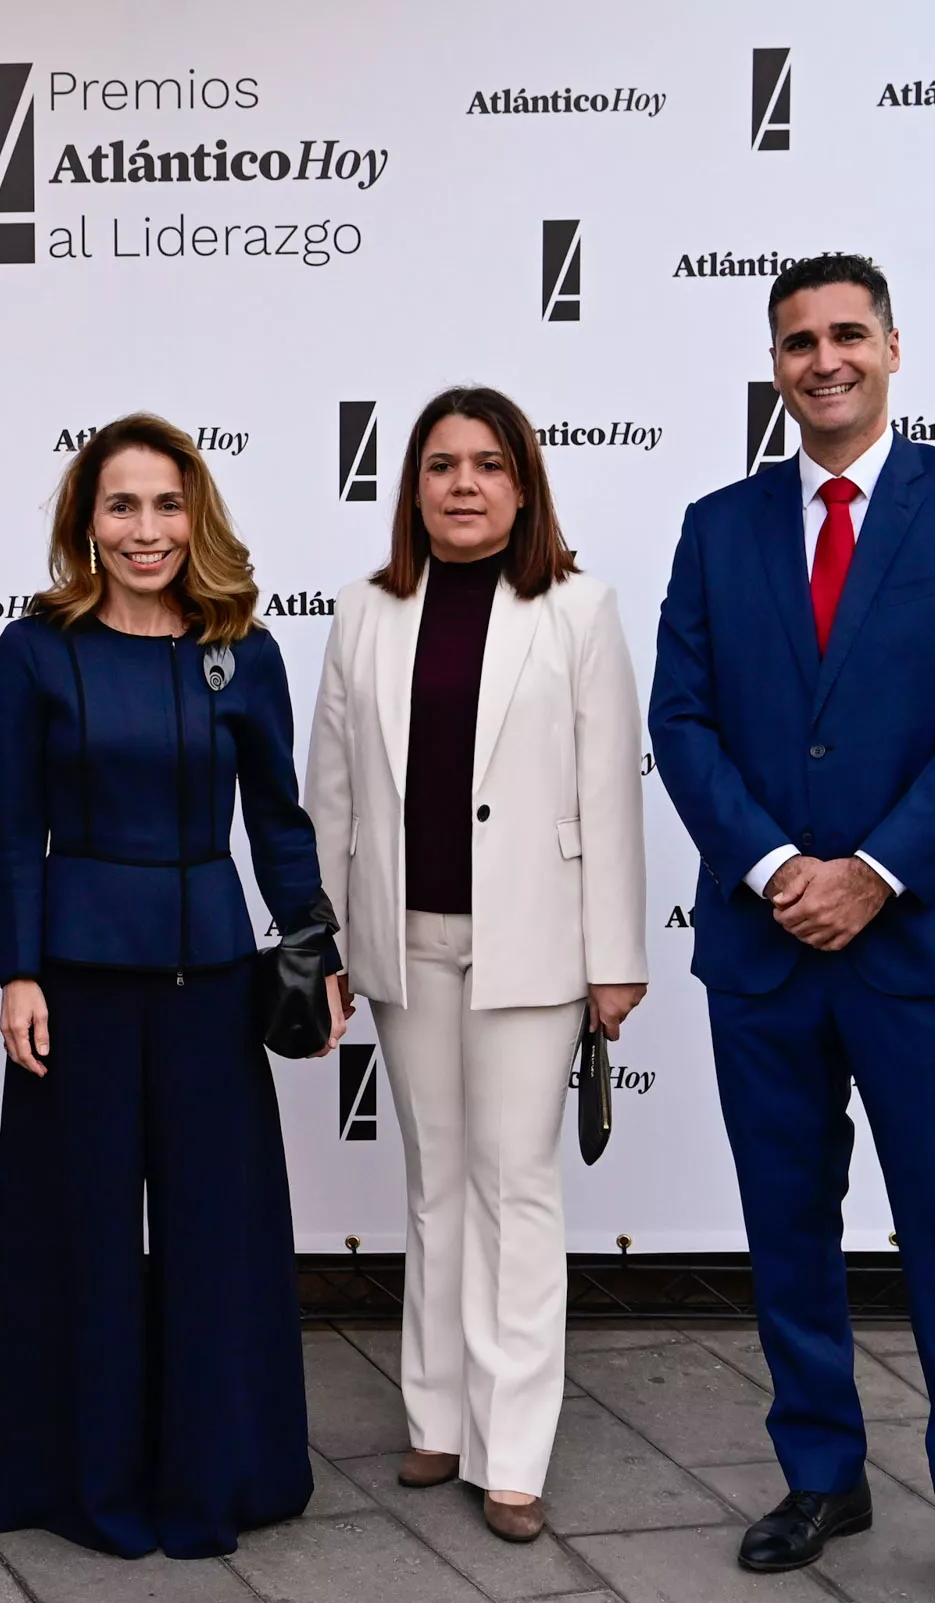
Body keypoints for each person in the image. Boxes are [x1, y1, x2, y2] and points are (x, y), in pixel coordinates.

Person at [647, 253, 935, 1603]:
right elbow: (682, 721)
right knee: (788, 1232)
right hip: (766, 951)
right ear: (775, 365)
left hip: (924, 943)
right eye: (797, 341)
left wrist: (872, 873)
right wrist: (773, 869)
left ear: (892, 348)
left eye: (846, 334)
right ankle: (823, 1472)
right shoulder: (718, 526)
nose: (823, 359)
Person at [0, 414, 346, 1559]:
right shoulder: (34, 646)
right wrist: (18, 971)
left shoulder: (247, 647)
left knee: (214, 1233)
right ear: (85, 521)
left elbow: (280, 824)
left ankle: (213, 1473)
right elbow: (14, 825)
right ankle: (88, 1480)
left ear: (199, 516)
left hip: (211, 984)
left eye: (166, 504)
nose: (146, 530)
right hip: (77, 985)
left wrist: (314, 947)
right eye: (121, 505)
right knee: (81, 1232)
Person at [305, 386, 647, 1544]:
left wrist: (616, 957)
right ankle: (437, 1413)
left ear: (522, 483)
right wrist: (332, 948)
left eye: (487, 464)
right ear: (412, 485)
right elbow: (333, 795)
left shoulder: (578, 607)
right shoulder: (364, 610)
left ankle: (513, 1450)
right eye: (441, 464)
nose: (462, 483)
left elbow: (607, 787)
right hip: (407, 940)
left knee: (517, 1185)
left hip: (537, 944)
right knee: (434, 1177)